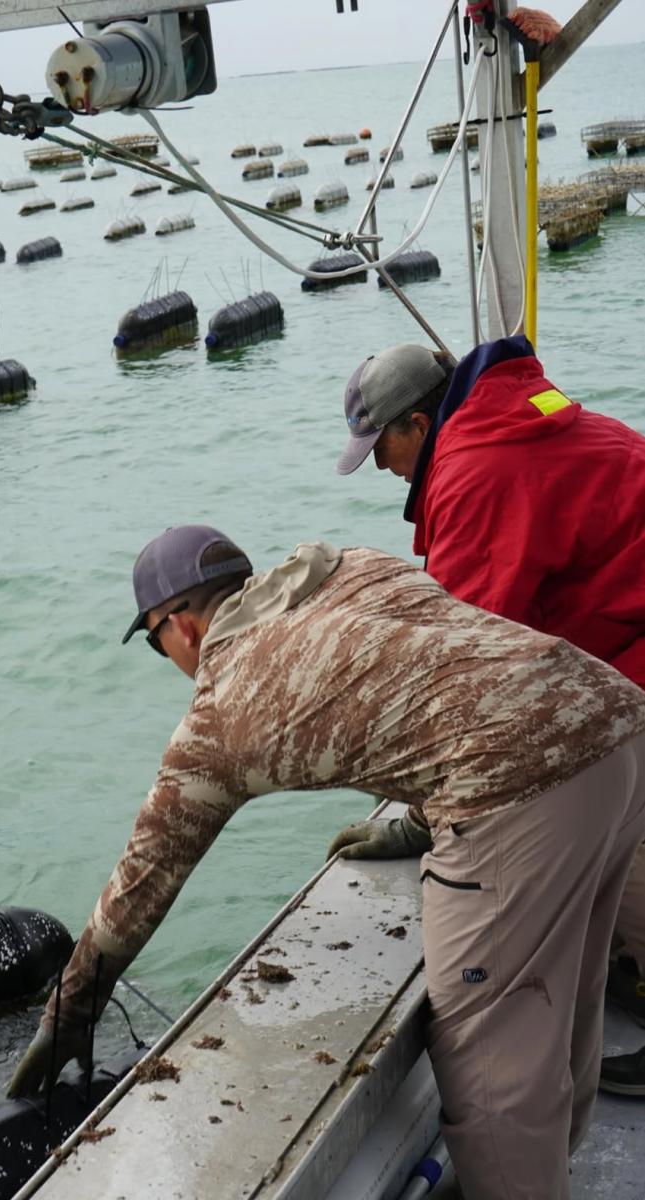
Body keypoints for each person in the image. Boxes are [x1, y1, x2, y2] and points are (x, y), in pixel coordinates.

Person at [8, 523, 645, 1199]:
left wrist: (70, 1013)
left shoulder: (220, 716)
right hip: (616, 719)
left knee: (489, 1052)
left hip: (521, 787)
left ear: (182, 627)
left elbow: (140, 884)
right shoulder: (347, 566)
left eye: (153, 640)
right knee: (570, 987)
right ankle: (553, 1165)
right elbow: (447, 668)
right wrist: (418, 822)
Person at [332, 336, 645, 1095]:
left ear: (416, 424)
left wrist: (421, 815)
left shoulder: (476, 471)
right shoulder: (513, 419)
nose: (382, 468)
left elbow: (469, 667)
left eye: (381, 450)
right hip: (622, 628)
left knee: (623, 837)